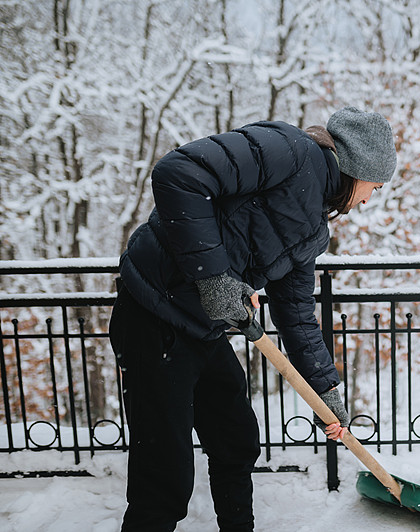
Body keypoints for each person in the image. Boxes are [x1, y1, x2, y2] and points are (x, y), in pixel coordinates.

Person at [108, 106, 397, 531]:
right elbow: (178, 172)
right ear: (357, 167)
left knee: (236, 440)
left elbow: (296, 313)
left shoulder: (315, 229)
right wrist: (215, 278)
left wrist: (326, 390)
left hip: (202, 327)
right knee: (164, 473)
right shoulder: (286, 150)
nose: (370, 199)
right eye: (374, 186)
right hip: (155, 312)